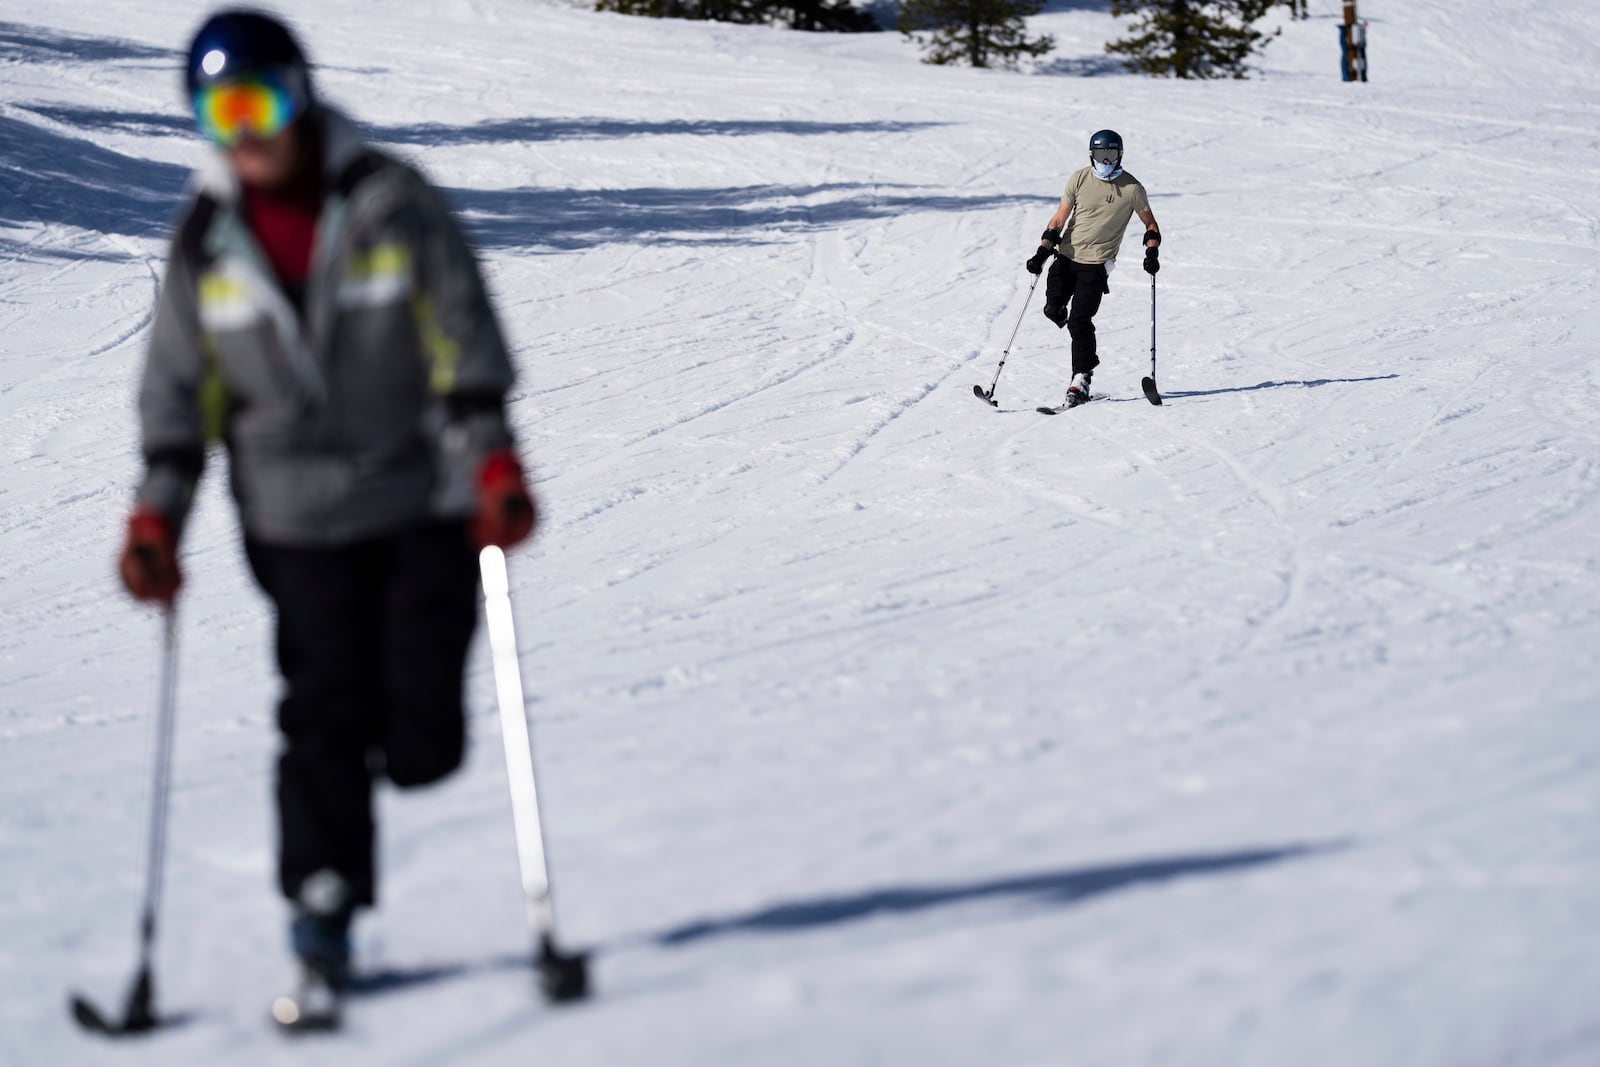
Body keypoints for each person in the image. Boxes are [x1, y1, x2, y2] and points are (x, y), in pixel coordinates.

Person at [115, 8, 536, 1011]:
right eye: (221, 114)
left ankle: (413, 745)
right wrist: (157, 513)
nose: (246, 132)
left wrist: (492, 460)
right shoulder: (206, 238)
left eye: (261, 103)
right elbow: (178, 391)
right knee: (322, 705)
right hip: (293, 515)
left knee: (422, 735)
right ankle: (322, 892)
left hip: (418, 496)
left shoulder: (391, 201)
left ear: (300, 97)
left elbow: (462, 332)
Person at [1026, 129, 1162, 407]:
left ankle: (1081, 380)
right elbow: (1058, 220)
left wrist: (1151, 251)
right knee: (1053, 309)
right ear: (1092, 155)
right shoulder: (1079, 178)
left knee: (1080, 320)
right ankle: (1079, 337)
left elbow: (1151, 225)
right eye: (1101, 153)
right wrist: (1042, 252)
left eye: (1111, 153)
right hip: (1066, 256)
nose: (1106, 159)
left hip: (1097, 264)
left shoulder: (1132, 189)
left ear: (1119, 154)